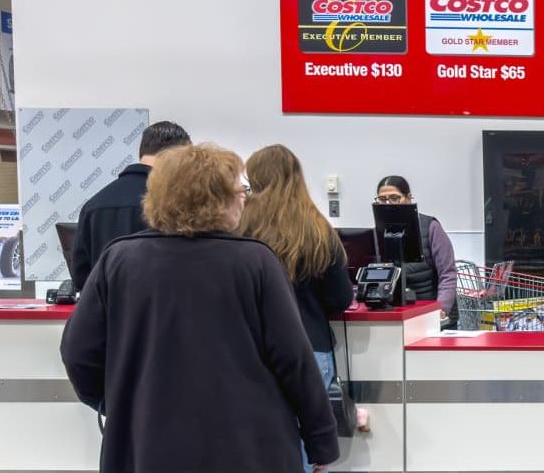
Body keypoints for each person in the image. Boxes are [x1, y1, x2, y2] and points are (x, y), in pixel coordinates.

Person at [60, 144, 338, 473]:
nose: (244, 197)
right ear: (216, 197)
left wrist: (118, 403)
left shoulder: (118, 260)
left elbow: (78, 352)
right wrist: (320, 440)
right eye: (239, 189)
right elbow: (294, 359)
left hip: (147, 443)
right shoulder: (255, 261)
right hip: (249, 445)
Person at [237, 145, 353, 473]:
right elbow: (340, 298)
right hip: (310, 348)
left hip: (251, 350)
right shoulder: (316, 229)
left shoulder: (240, 228)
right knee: (307, 445)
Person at [68, 120, 190, 291]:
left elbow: (81, 277)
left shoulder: (94, 205)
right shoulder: (175, 203)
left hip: (110, 313)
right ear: (178, 156)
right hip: (157, 311)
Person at [376, 175, 457, 325]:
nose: (388, 204)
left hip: (431, 311)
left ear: (409, 198)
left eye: (395, 198)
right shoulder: (379, 231)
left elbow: (448, 273)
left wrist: (442, 308)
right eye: (382, 199)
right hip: (396, 313)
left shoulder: (431, 227)